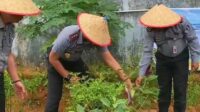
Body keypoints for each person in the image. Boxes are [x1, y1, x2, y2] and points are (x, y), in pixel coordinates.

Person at [45, 13, 133, 112]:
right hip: (56, 58)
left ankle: (91, 108)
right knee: (54, 96)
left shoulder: (98, 37)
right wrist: (69, 77)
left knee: (90, 83)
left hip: (74, 59)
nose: (95, 42)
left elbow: (109, 58)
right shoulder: (69, 36)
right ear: (86, 33)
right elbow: (52, 59)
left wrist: (125, 77)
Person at [135, 4, 200, 112]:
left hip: (181, 58)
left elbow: (192, 39)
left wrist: (195, 59)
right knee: (163, 90)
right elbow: (147, 50)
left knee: (180, 89)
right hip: (163, 59)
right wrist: (141, 74)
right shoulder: (151, 29)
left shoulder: (182, 22)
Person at [0, 0, 40, 111]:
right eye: (20, 11)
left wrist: (16, 80)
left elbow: (6, 53)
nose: (23, 15)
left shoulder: (10, 28)